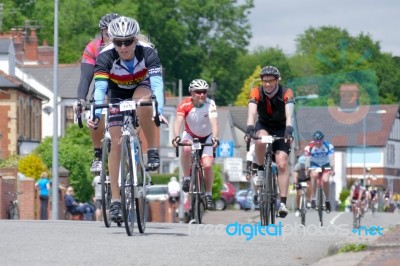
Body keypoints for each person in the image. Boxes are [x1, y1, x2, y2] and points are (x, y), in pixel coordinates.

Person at [88, 16, 168, 222]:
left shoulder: (148, 51)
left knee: (144, 104)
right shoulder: (105, 57)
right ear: (112, 41)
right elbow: (100, 90)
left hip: (141, 86)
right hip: (116, 92)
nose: (123, 47)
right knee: (115, 143)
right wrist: (96, 115)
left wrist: (159, 110)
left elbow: (158, 85)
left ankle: (151, 149)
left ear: (135, 40)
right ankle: (115, 200)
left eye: (128, 41)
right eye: (118, 42)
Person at [244, 65, 295, 218]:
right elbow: (252, 114)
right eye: (264, 81)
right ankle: (260, 169)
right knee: (260, 141)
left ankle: (283, 203)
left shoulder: (286, 92)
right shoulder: (256, 92)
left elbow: (289, 115)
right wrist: (249, 129)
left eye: (270, 81)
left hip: (281, 127)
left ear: (277, 80)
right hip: (264, 125)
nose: (267, 84)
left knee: (282, 163)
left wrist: (289, 131)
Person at [73, 13, 120, 173]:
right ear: (102, 32)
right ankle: (98, 155)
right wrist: (80, 100)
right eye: (108, 33)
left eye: (115, 33)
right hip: (103, 84)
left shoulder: (125, 45)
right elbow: (86, 77)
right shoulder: (93, 47)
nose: (112, 37)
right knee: (95, 110)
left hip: (124, 85)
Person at [171, 79, 219, 209]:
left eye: (204, 92)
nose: (202, 95)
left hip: (207, 136)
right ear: (192, 93)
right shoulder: (184, 104)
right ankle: (186, 178)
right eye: (198, 92)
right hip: (190, 134)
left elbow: (214, 122)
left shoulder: (210, 104)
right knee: (186, 149)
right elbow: (178, 121)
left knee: (208, 166)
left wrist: (215, 138)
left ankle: (208, 193)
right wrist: (176, 137)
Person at [304, 130, 335, 213]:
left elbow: (332, 158)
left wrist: (332, 169)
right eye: (316, 141)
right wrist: (307, 169)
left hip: (325, 165)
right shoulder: (309, 147)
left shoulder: (328, 146)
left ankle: (327, 201)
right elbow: (307, 160)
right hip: (315, 164)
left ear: (323, 139)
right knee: (314, 175)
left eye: (320, 140)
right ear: (314, 140)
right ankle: (313, 198)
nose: (318, 143)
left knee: (325, 180)